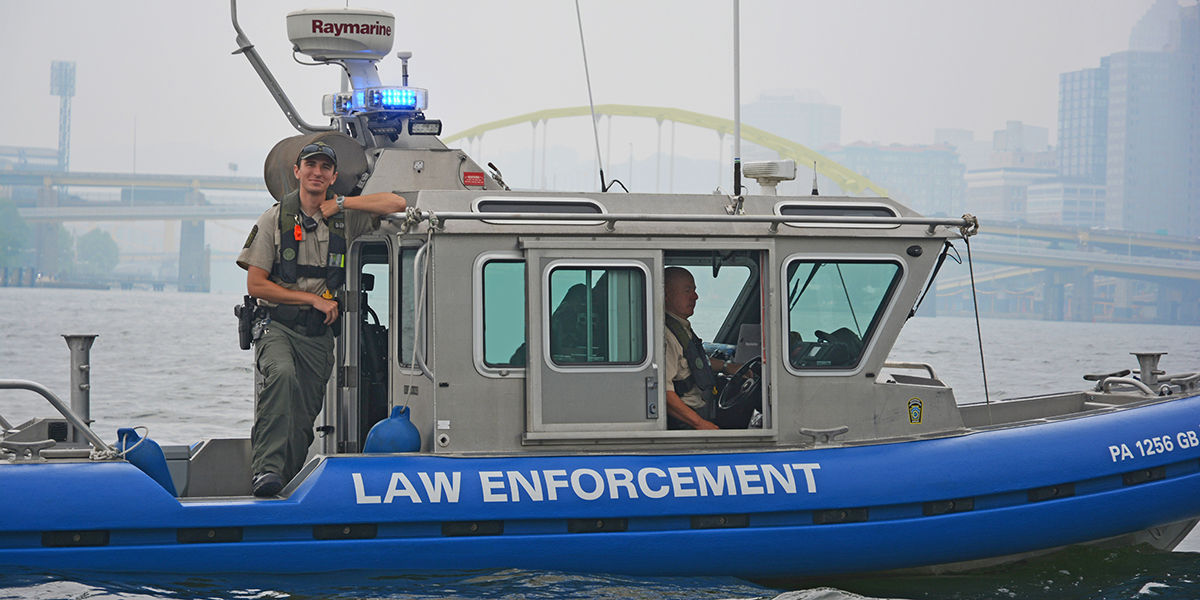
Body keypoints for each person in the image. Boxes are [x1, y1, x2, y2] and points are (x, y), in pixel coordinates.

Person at [236, 141, 407, 497]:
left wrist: (344, 203)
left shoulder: (344, 217)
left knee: (304, 414)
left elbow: (397, 204)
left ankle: (284, 479)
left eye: (324, 167)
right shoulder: (274, 219)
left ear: (332, 177)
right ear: (297, 171)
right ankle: (265, 471)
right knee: (281, 378)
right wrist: (311, 299)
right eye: (309, 165)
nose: (316, 172)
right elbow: (256, 284)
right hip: (278, 326)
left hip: (317, 338)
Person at [663, 266, 739, 430]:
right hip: (684, 423)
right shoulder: (666, 336)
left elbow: (695, 360)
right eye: (687, 290)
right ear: (666, 294)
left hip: (697, 415)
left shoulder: (681, 328)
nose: (695, 296)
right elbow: (664, 392)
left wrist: (727, 367)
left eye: (694, 290)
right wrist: (700, 424)